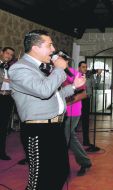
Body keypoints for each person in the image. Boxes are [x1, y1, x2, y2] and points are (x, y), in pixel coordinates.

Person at [8, 30, 86, 190]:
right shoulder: (19, 68)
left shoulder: (43, 68)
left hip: (55, 127)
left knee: (60, 172)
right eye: (49, 45)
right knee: (39, 180)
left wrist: (73, 86)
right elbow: (44, 91)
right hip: (38, 129)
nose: (53, 49)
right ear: (36, 48)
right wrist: (59, 69)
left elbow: (54, 95)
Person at [63, 66, 92, 176]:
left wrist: (65, 103)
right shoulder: (53, 72)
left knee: (65, 138)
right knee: (70, 137)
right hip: (59, 112)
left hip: (72, 112)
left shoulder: (73, 73)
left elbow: (83, 93)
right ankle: (85, 162)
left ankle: (62, 169)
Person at [78, 61, 101, 146]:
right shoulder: (76, 76)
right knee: (74, 121)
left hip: (86, 99)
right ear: (79, 68)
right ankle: (70, 141)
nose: (85, 68)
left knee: (85, 120)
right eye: (83, 67)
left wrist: (98, 75)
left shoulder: (90, 76)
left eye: (86, 67)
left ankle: (86, 141)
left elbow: (96, 85)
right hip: (77, 99)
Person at [0, 47, 15, 160]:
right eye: (7, 53)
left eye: (11, 55)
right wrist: (4, 80)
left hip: (8, 98)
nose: (9, 56)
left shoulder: (11, 68)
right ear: (2, 53)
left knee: (3, 127)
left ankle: (1, 152)